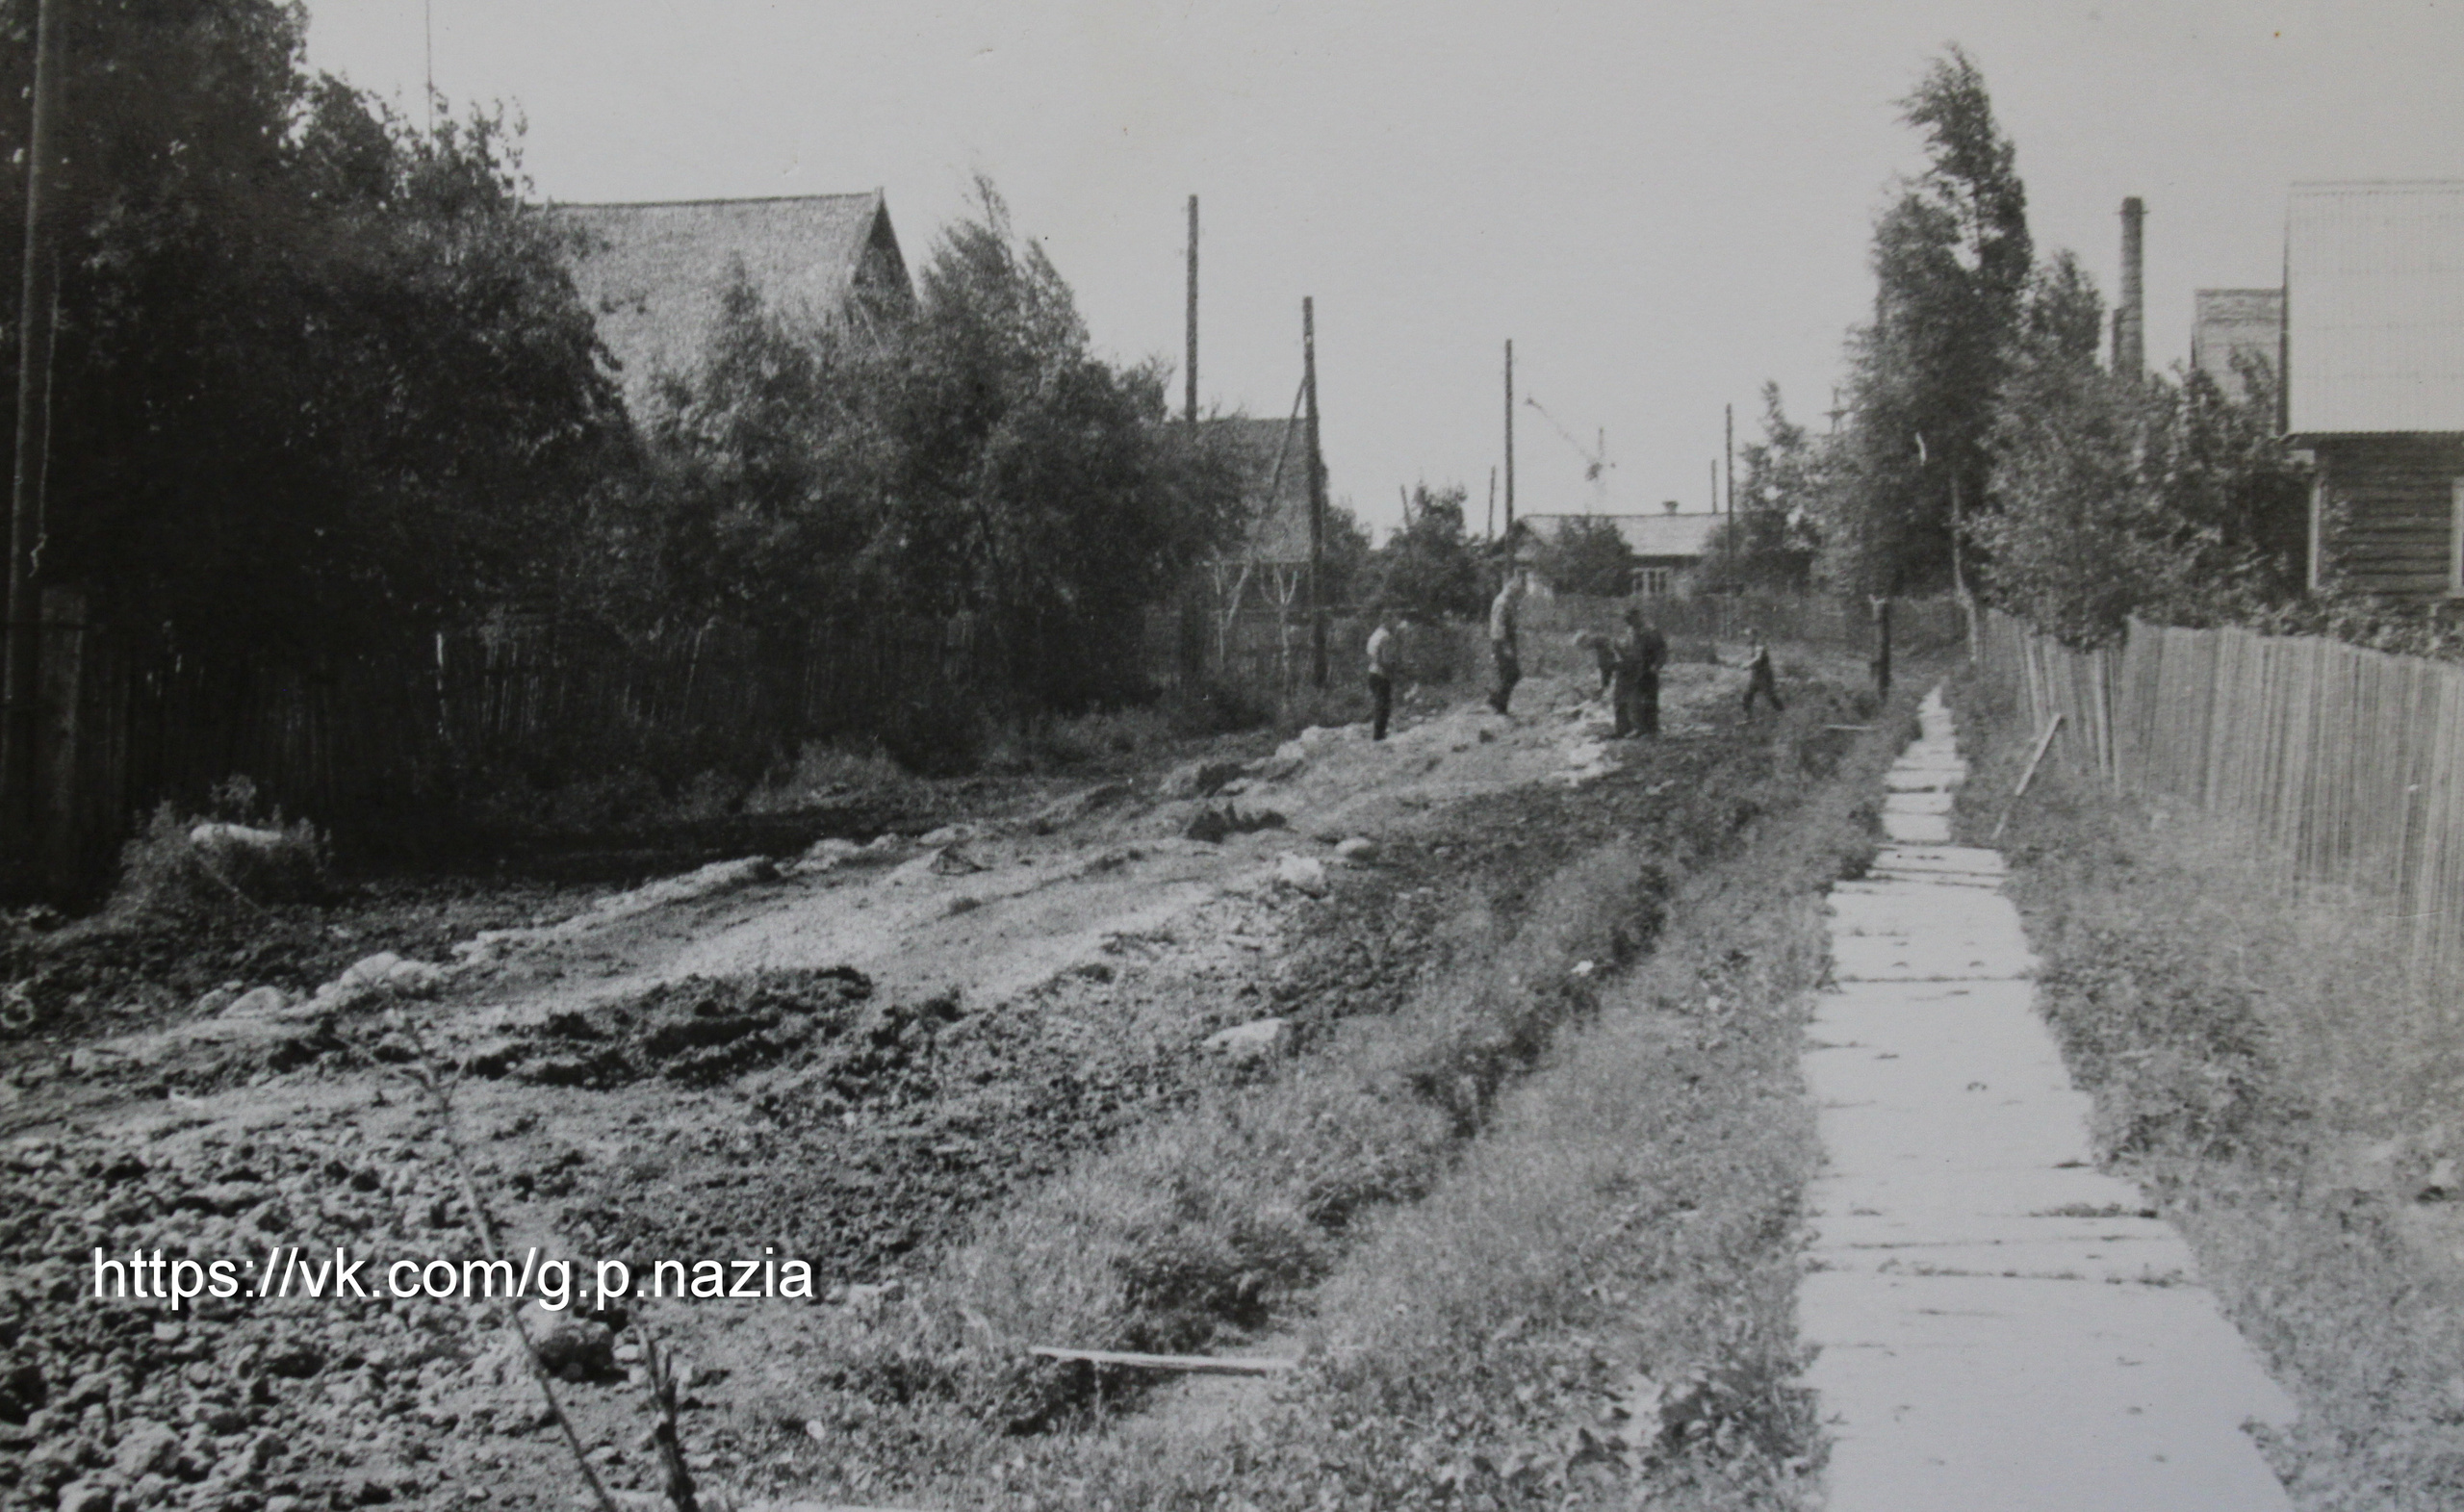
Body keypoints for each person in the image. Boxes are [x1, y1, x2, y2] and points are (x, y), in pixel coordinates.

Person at [1610, 604, 1668, 737]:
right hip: (1631, 671)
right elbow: (1628, 651)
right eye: (1627, 619)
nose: (1628, 622)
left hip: (1647, 670)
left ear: (1638, 617)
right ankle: (1624, 729)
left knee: (1648, 701)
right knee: (1623, 700)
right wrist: (1618, 650)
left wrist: (1657, 665)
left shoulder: (1651, 631)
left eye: (1630, 619)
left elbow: (1661, 651)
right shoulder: (1628, 632)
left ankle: (1650, 731)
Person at [1487, 570, 1526, 715]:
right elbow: (1499, 626)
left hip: (1506, 642)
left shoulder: (1508, 602)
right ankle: (1496, 701)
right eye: (1517, 591)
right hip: (1502, 642)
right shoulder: (1502, 602)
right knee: (1511, 673)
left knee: (1509, 674)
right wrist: (1505, 647)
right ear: (1510, 588)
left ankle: (1498, 703)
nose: (1518, 595)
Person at [1364, 604, 1401, 741]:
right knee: (1383, 705)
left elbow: (1371, 655)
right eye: (1393, 620)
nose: (1395, 623)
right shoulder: (1386, 637)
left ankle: (1378, 734)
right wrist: (1396, 670)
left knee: (1380, 704)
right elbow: (1385, 659)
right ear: (1388, 620)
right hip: (1381, 674)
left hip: (1372, 673)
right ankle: (1379, 736)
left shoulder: (1374, 635)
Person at [1741, 627, 1784, 715]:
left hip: (1764, 676)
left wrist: (1747, 665)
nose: (1747, 638)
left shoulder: (1759, 644)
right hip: (1756, 675)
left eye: (1748, 635)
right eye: (1746, 636)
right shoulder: (1753, 645)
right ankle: (1748, 717)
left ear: (1754, 635)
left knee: (1770, 696)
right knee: (1748, 695)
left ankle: (1782, 712)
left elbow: (1758, 658)